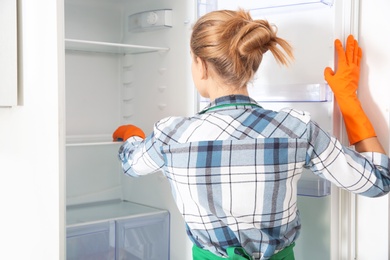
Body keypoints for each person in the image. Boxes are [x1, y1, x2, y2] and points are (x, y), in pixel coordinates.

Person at [113, 9, 390, 260]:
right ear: (252, 64)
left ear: (201, 65)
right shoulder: (295, 129)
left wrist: (134, 136)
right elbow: (378, 181)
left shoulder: (170, 135)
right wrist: (348, 99)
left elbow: (131, 164)